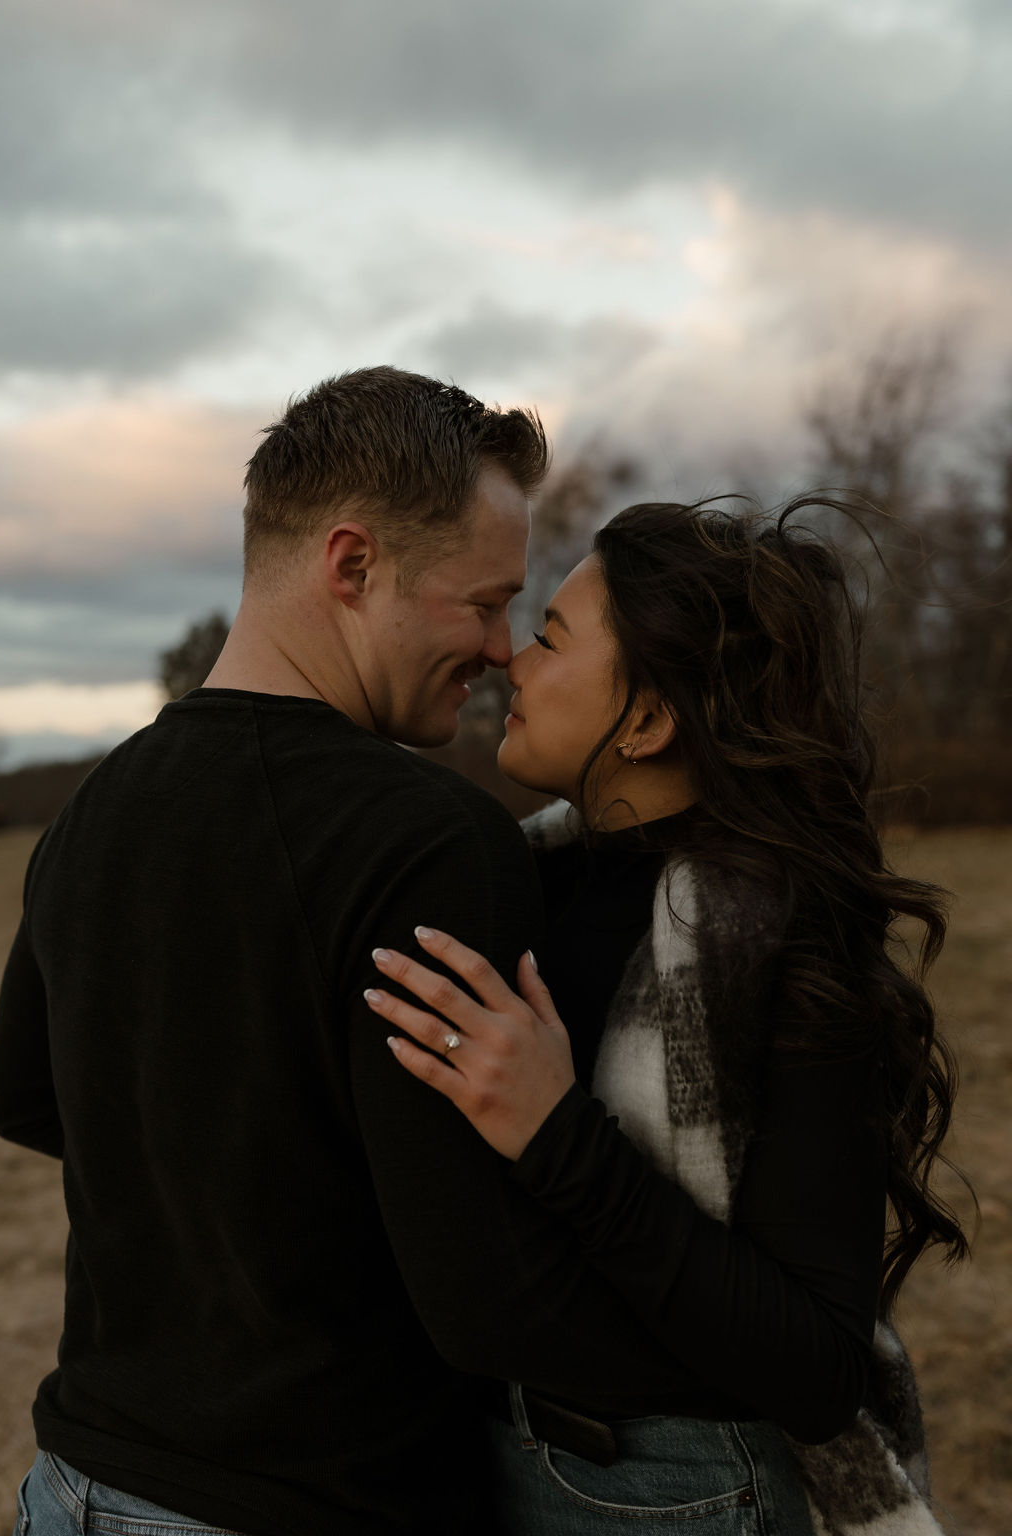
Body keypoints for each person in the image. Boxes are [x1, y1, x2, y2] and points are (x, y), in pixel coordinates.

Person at [0, 369, 716, 1536]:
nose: (497, 648)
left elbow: (25, 1095)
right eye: (482, 603)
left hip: (74, 1487)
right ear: (351, 566)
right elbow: (484, 1305)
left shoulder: (98, 804)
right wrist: (768, 1355)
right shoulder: (429, 843)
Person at [365, 497, 971, 1535]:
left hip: (682, 1492)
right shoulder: (522, 885)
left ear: (646, 722)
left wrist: (559, 1135)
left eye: (551, 638)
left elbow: (820, 1366)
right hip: (488, 1458)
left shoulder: (778, 943)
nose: (512, 657)